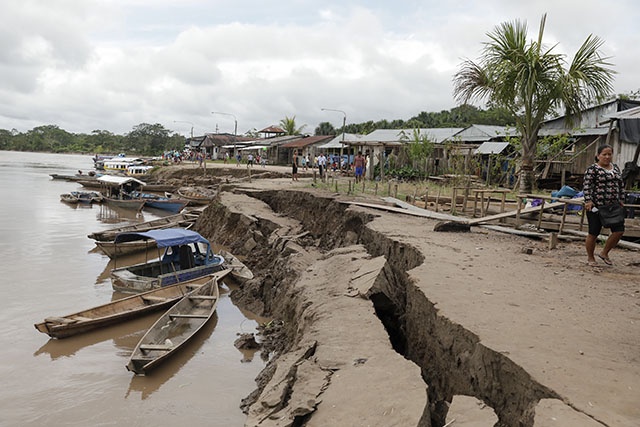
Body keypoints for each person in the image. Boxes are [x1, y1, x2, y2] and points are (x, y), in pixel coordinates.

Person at [583, 144, 625, 266]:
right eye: (604, 154)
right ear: (598, 156)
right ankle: (591, 258)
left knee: (619, 231)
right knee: (594, 232)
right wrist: (588, 201)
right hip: (596, 206)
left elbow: (620, 185)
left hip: (613, 206)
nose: (607, 157)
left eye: (609, 154)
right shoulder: (592, 169)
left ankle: (604, 252)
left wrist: (621, 199)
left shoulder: (615, 168)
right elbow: (586, 186)